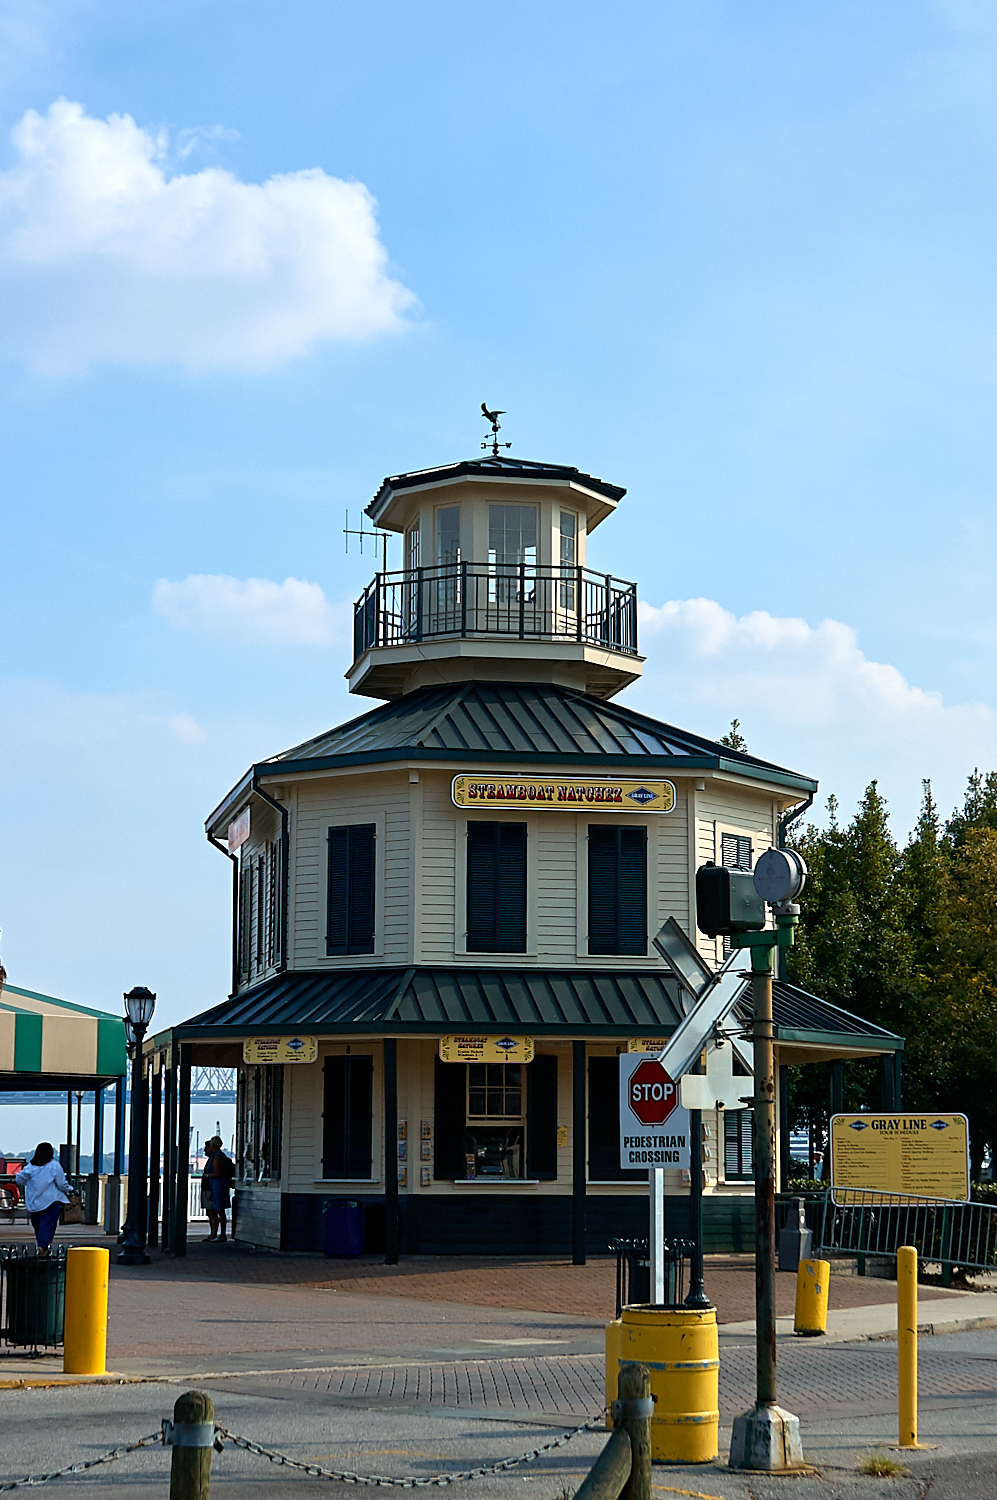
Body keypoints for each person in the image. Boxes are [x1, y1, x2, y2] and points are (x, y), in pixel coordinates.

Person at [15, 1143, 70, 1255]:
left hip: (34, 1202)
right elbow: (61, 1184)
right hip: (51, 1200)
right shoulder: (54, 1166)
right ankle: (43, 1246)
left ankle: (41, 1245)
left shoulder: (30, 1167)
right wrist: (70, 1189)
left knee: (37, 1225)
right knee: (47, 1224)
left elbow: (19, 1179)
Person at [201, 1137, 233, 1243]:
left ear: (214, 1145)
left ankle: (222, 1234)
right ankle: (215, 1233)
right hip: (216, 1186)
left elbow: (217, 1173)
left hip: (218, 1186)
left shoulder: (217, 1157)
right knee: (215, 1210)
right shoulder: (217, 1156)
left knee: (219, 1210)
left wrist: (207, 1175)